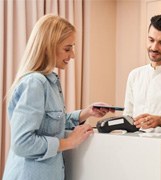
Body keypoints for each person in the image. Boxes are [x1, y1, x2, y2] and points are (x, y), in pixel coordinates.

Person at [3, 14, 113, 180]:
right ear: (48, 47)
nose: (73, 55)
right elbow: (22, 143)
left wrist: (87, 112)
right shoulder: (35, 83)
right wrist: (70, 142)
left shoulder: (50, 81)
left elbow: (50, 124)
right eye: (67, 49)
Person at [123, 13, 161, 130]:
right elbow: (127, 116)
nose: (154, 47)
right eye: (151, 40)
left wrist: (160, 120)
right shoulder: (135, 75)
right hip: (136, 143)